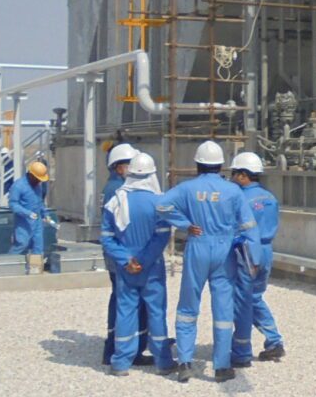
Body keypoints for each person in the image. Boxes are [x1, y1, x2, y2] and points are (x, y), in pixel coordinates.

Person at [156, 140, 256, 382]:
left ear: (197, 164)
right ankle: (221, 366)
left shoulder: (187, 188)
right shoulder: (233, 190)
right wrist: (254, 259)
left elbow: (161, 205)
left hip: (198, 245)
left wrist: (184, 224)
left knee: (188, 305)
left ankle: (185, 362)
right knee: (223, 308)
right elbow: (248, 225)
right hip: (224, 250)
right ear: (221, 165)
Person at [99, 152, 177, 377]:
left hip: (126, 267)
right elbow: (162, 236)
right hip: (151, 267)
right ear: (152, 175)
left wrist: (126, 260)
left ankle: (120, 362)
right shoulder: (159, 203)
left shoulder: (116, 202)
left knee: (125, 310)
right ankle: (163, 361)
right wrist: (143, 260)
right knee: (156, 311)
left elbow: (107, 238)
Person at [228, 151, 285, 363]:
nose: (232, 178)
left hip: (247, 251)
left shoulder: (240, 198)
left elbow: (234, 227)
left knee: (243, 299)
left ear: (243, 174)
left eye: (234, 173)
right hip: (266, 250)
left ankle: (243, 347)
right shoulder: (270, 197)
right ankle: (273, 340)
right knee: (255, 297)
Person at [100, 143, 151, 366]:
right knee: (127, 302)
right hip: (121, 254)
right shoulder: (117, 189)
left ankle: (115, 348)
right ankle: (123, 350)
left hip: (117, 253)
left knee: (120, 299)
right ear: (119, 167)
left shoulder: (113, 186)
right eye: (130, 165)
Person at [9, 162, 54, 266]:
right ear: (31, 175)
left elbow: (40, 202)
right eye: (37, 178)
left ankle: (35, 267)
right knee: (21, 244)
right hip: (23, 222)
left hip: (37, 222)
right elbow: (13, 204)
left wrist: (45, 214)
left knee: (38, 246)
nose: (39, 181)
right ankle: (9, 265)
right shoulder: (18, 186)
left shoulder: (38, 186)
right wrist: (27, 213)